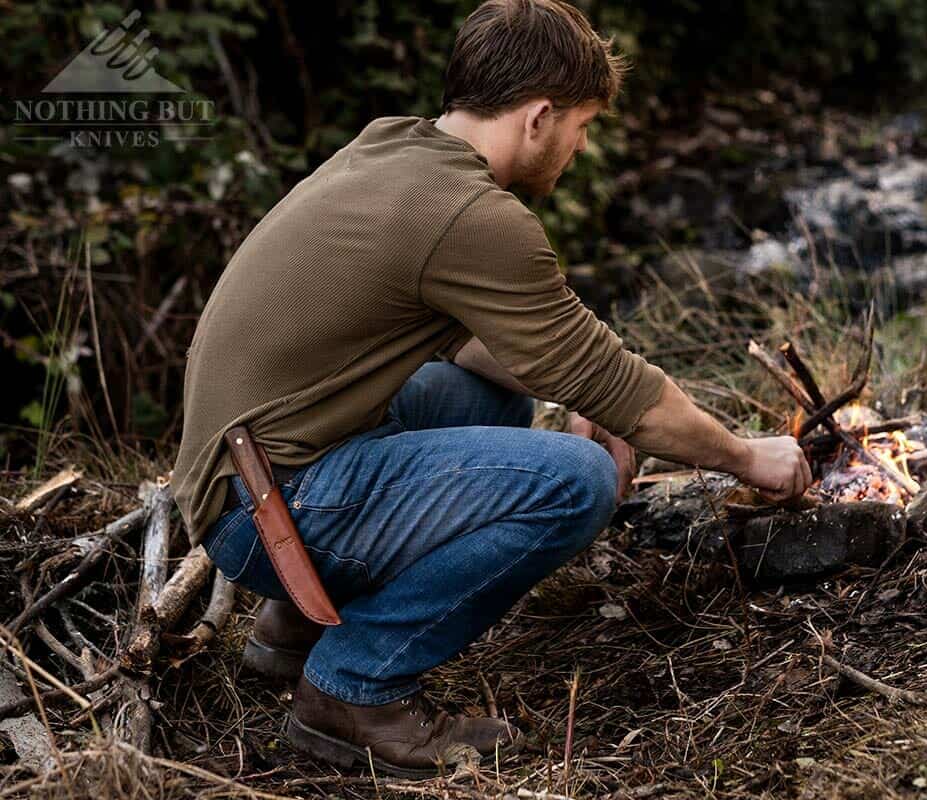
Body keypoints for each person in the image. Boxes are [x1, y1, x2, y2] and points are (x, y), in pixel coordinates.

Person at [172, 0, 812, 778]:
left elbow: (491, 345)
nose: (580, 147)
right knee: (576, 481)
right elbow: (624, 388)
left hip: (247, 474)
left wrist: (580, 389)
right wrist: (749, 458)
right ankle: (352, 688)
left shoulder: (393, 150)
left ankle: (290, 630)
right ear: (539, 116)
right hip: (264, 513)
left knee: (487, 403)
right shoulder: (473, 214)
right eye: (583, 126)